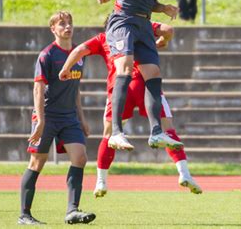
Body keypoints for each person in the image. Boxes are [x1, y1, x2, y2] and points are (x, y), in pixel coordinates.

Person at [59, 21, 202, 197]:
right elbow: (167, 29)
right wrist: (162, 42)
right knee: (167, 129)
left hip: (119, 91)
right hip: (146, 87)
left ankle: (101, 182)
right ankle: (184, 173)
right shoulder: (141, 25)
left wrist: (65, 68)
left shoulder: (104, 37)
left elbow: (79, 50)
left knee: (109, 135)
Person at [96, 0, 196, 151]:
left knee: (153, 73)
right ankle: (117, 133)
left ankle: (157, 132)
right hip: (124, 19)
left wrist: (163, 8)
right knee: (125, 68)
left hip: (143, 23)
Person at [18, 11, 96, 225]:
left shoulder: (79, 54)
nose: (67, 26)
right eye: (62, 24)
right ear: (53, 29)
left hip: (69, 117)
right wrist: (40, 121)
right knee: (37, 163)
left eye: (70, 22)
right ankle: (24, 214)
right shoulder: (47, 55)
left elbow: (75, 88)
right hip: (47, 116)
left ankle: (72, 211)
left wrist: (82, 118)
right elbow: (38, 88)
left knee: (80, 157)